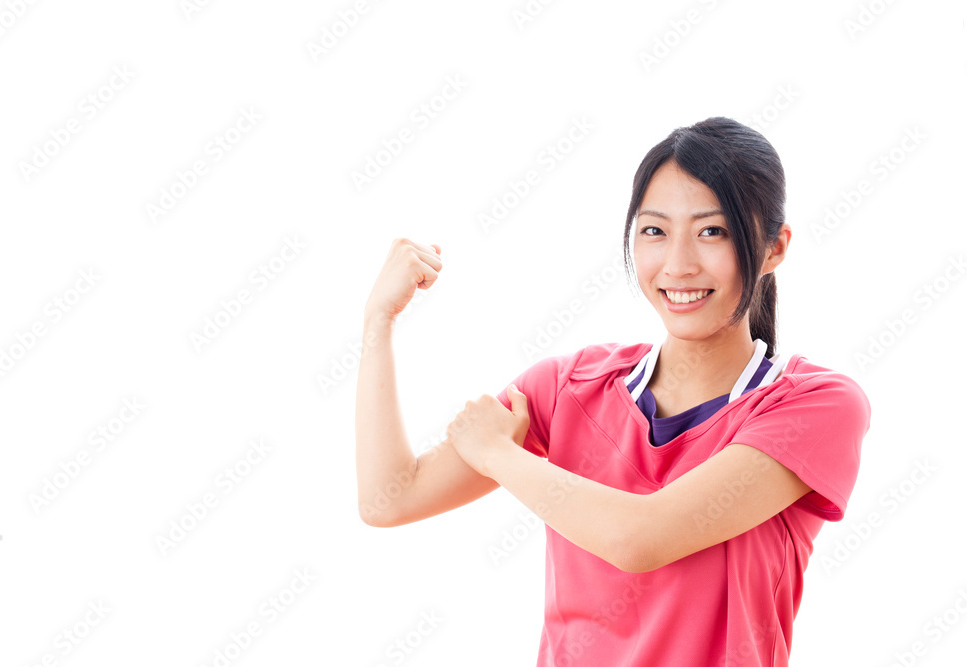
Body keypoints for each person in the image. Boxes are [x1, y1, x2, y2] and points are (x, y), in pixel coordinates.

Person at [355, 116, 872, 666]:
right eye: (655, 231)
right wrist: (376, 322)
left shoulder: (814, 406)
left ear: (774, 248)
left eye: (712, 231)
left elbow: (640, 540)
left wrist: (496, 454)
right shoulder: (567, 388)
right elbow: (390, 498)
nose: (678, 264)